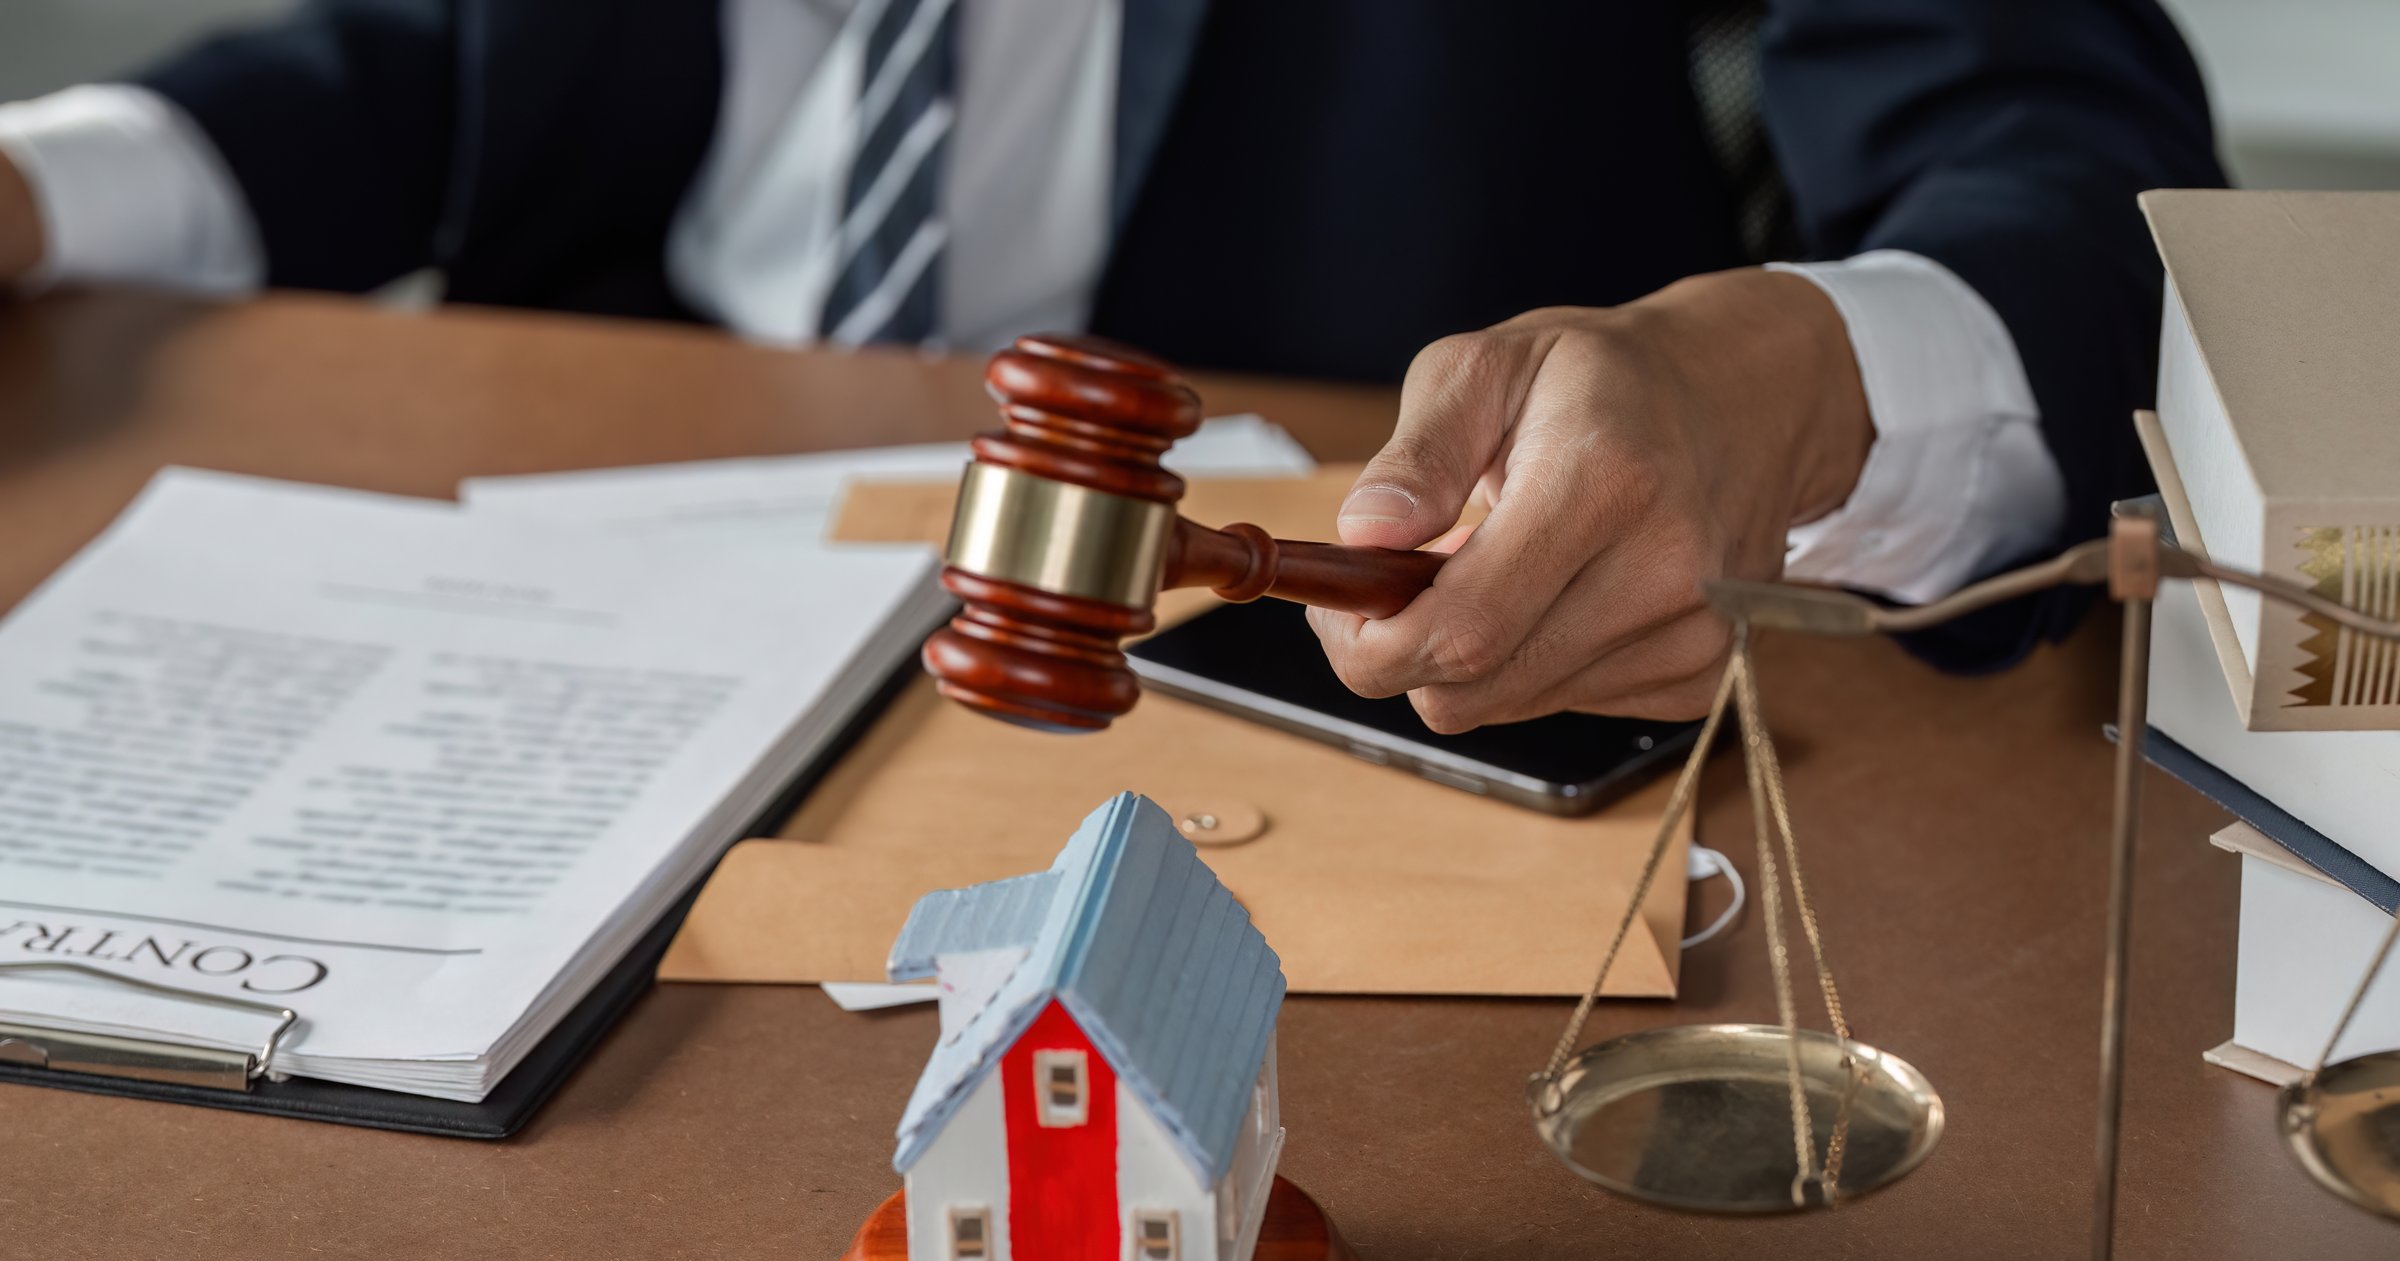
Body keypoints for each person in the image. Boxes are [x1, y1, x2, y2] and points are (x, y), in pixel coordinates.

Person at [0, 1, 2221, 727]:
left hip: (1362, 675)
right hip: (626, 585)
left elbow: (2058, 157)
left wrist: (1789, 365)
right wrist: (48, 181)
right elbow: (426, 70)